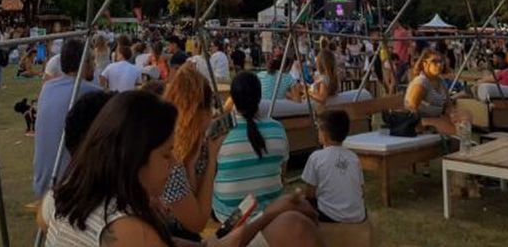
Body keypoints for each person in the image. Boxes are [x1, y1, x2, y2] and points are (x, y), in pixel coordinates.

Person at [41, 89, 323, 247]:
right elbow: (198, 224)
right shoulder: (129, 231)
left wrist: (269, 214)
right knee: (296, 230)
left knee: (292, 225)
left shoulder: (60, 197)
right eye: (166, 155)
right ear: (133, 159)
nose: (173, 163)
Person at [213, 71, 289, 222]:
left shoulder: (219, 130)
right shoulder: (277, 128)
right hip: (270, 210)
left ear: (232, 99)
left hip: (228, 215)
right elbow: (282, 171)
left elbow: (211, 171)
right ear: (260, 97)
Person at [160, 66, 224, 239]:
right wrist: (211, 160)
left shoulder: (190, 144)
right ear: (198, 112)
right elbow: (198, 222)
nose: (213, 113)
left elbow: (191, 196)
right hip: (170, 234)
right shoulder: (169, 162)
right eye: (210, 107)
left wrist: (192, 163)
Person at [32, 38, 100, 198]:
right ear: (85, 62)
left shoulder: (47, 88)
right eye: (92, 60)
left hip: (43, 180)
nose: (95, 65)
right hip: (68, 184)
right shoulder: (91, 93)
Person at [301, 110, 365, 223]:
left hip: (330, 217)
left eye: (319, 129)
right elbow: (361, 190)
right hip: (357, 215)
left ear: (324, 133)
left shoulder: (316, 157)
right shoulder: (353, 157)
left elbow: (309, 193)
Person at [404, 50, 456, 135]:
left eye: (440, 61)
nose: (439, 65)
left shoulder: (440, 81)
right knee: (455, 131)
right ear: (425, 63)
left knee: (463, 123)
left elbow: (448, 104)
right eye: (434, 61)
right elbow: (411, 109)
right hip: (423, 123)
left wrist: (452, 115)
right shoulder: (421, 83)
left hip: (437, 119)